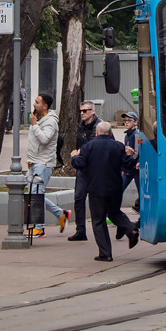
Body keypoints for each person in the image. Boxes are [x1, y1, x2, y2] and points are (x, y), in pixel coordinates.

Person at [70, 121, 138, 262]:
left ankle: (105, 253)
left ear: (96, 133)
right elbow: (129, 164)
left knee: (98, 220)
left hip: (96, 188)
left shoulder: (88, 146)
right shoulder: (118, 146)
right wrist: (131, 155)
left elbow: (79, 164)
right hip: (115, 187)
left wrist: (74, 157)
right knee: (114, 212)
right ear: (111, 133)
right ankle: (130, 228)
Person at [26, 91, 69, 237]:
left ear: (45, 106)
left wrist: (34, 125)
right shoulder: (39, 118)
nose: (33, 104)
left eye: (37, 102)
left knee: (36, 196)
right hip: (35, 161)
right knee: (34, 194)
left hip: (44, 163)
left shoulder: (50, 121)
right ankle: (61, 214)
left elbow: (44, 139)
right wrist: (31, 158)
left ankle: (39, 228)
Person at [67, 100, 101, 242]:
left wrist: (79, 153)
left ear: (92, 111)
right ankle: (80, 230)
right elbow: (80, 143)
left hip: (96, 170)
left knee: (98, 201)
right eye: (81, 111)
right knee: (79, 198)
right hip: (83, 168)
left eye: (85, 111)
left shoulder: (99, 126)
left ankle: (120, 226)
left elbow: (93, 146)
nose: (82, 113)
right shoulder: (82, 126)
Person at [120, 111, 140, 213]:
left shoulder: (136, 135)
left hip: (135, 168)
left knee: (141, 190)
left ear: (135, 122)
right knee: (119, 188)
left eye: (129, 120)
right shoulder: (127, 135)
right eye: (125, 121)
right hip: (128, 169)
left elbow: (137, 152)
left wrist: (133, 161)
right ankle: (115, 210)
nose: (126, 123)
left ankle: (139, 206)